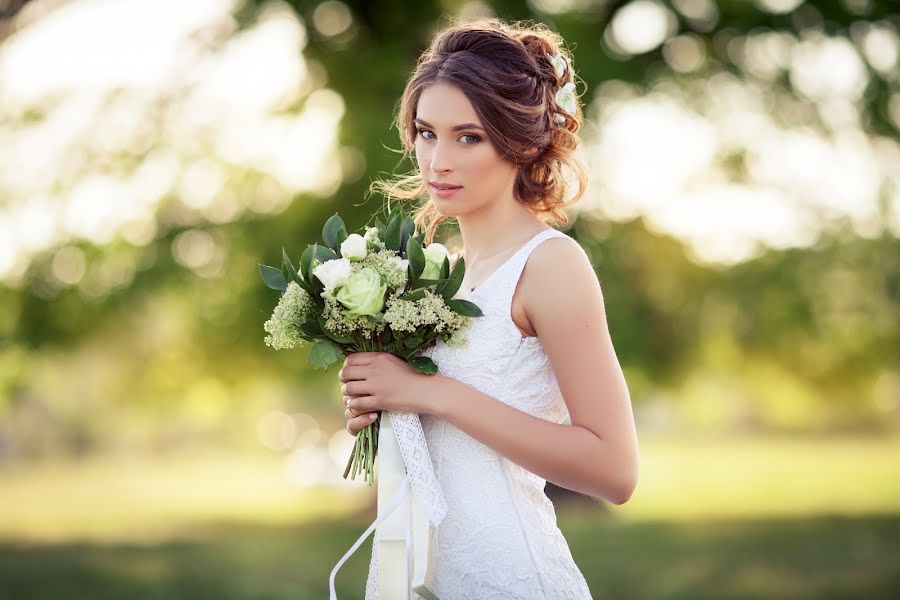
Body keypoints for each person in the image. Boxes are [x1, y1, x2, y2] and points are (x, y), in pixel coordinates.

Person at [337, 17, 639, 599]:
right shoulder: (438, 272)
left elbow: (615, 470)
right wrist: (383, 405)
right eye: (427, 133)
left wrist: (431, 394)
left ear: (519, 143)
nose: (437, 161)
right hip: (419, 576)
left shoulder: (550, 266)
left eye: (467, 137)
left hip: (509, 578)